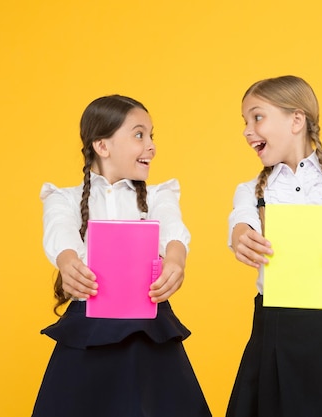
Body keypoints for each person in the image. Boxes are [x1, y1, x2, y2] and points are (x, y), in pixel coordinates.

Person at [32, 95, 211, 417]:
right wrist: (67, 261)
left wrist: (176, 260)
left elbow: (173, 229)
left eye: (152, 135)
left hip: (149, 332)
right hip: (88, 330)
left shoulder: (159, 195)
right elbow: (60, 232)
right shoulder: (64, 198)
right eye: (139, 134)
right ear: (102, 146)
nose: (152, 145)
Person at [226, 76, 322, 417]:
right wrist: (242, 237)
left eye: (257, 117)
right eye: (245, 121)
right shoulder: (250, 190)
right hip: (274, 327)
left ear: (296, 121)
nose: (247, 130)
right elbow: (241, 222)